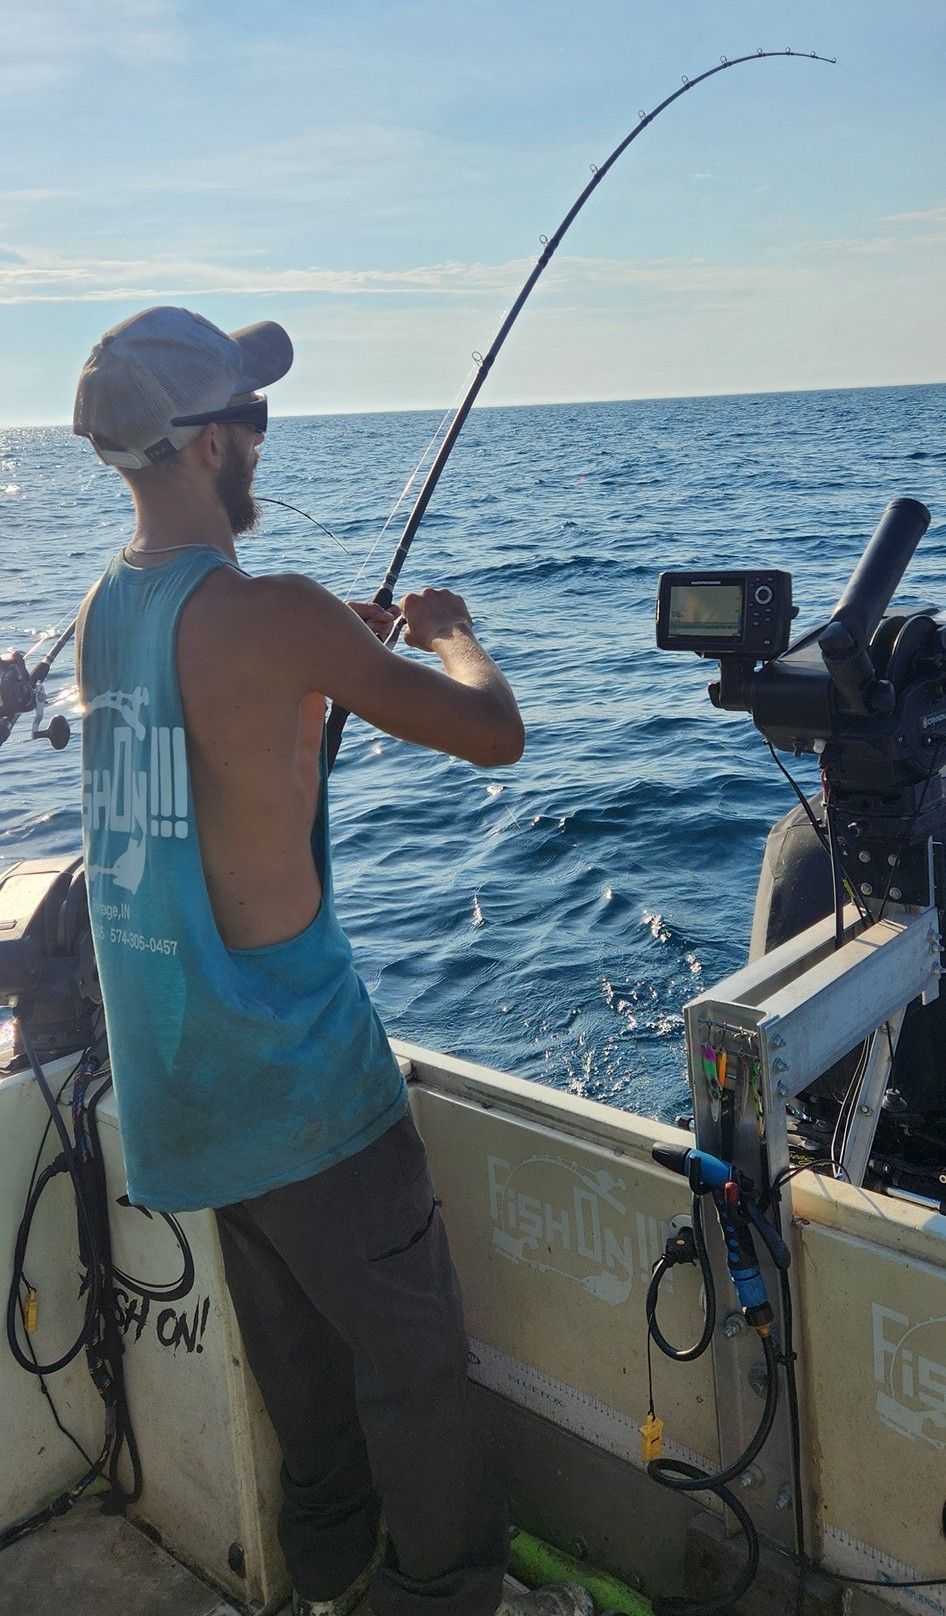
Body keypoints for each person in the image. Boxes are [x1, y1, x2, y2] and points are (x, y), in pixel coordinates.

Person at [73, 307, 592, 1616]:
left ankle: (332, 1585)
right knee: (411, 1374)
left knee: (302, 1386)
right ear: (203, 444)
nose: (263, 439)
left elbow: (228, 768)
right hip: (306, 1092)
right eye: (252, 418)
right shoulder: (280, 617)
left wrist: (326, 671)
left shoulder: (102, 613)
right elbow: (492, 733)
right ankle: (448, 1599)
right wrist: (441, 632)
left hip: (188, 1098)